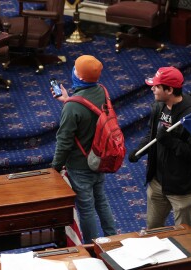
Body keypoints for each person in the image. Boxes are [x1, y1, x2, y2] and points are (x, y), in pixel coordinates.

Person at [128, 66, 191, 229]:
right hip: (158, 182)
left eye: (156, 86)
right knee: (153, 230)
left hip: (182, 187)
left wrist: (170, 141)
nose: (152, 89)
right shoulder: (159, 106)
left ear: (169, 89)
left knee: (183, 236)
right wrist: (140, 149)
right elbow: (152, 135)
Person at [51, 55, 117, 244]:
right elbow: (87, 112)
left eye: (75, 68)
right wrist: (68, 99)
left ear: (78, 76)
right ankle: (112, 238)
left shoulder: (72, 107)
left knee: (86, 208)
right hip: (100, 159)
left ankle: (91, 246)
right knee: (101, 200)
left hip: (80, 165)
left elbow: (64, 141)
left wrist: (55, 167)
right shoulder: (102, 91)